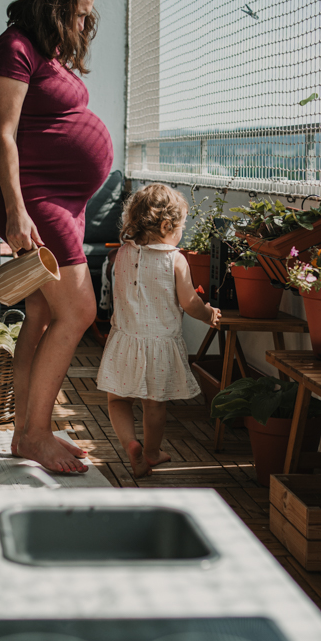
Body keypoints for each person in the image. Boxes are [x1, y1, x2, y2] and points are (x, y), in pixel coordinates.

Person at [0, 0, 113, 474]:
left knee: (40, 316)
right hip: (36, 199)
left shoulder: (51, 53)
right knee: (78, 312)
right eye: (80, 14)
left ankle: (25, 431)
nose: (86, 24)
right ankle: (36, 433)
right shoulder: (14, 48)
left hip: (66, 201)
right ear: (56, 7)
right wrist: (16, 211)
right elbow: (4, 136)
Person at [97, 184, 220, 477]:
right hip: (159, 345)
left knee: (117, 400)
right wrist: (209, 314)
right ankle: (151, 451)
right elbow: (190, 303)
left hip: (124, 340)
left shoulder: (123, 254)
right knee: (155, 404)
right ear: (167, 225)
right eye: (181, 227)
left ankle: (130, 444)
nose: (181, 233)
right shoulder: (175, 259)